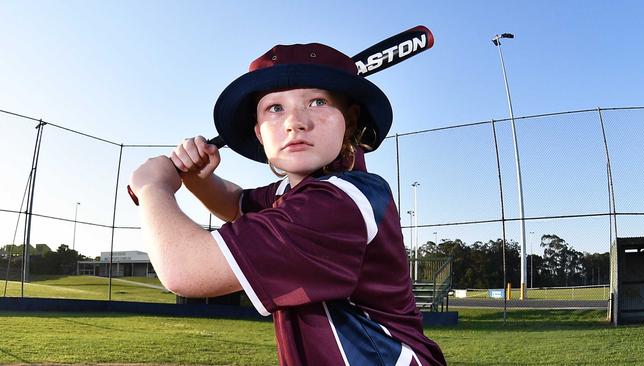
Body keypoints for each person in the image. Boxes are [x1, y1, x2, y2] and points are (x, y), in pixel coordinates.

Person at [129, 42, 446, 366]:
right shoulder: (296, 193)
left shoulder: (337, 203)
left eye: (317, 101)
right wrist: (198, 179)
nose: (295, 122)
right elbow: (237, 203)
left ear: (350, 122)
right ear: (259, 133)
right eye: (275, 108)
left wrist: (153, 187)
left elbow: (185, 268)